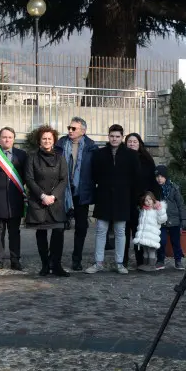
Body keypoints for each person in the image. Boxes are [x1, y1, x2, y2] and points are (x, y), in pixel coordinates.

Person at [84, 124, 139, 275]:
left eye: (117, 136)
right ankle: (98, 262)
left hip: (123, 198)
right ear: (108, 137)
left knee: (121, 231)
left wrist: (131, 196)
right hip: (104, 197)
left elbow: (135, 177)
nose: (114, 139)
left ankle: (120, 263)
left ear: (122, 137)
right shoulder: (99, 154)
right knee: (101, 230)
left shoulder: (131, 155)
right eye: (112, 136)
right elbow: (94, 175)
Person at [26, 125, 70, 277]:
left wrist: (53, 196)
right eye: (44, 138)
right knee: (42, 234)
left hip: (55, 202)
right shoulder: (32, 157)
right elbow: (29, 179)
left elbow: (64, 179)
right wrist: (42, 196)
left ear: (54, 141)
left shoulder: (60, 157)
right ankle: (45, 265)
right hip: (39, 201)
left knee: (58, 232)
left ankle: (56, 264)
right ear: (39, 141)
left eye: (49, 139)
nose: (46, 141)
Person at [0, 126, 28, 271]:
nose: (7, 139)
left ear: (14, 139)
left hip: (15, 200)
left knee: (14, 232)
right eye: (4, 137)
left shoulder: (22, 155)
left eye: (9, 137)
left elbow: (25, 176)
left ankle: (15, 260)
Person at [55, 116, 97, 271]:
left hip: (81, 192)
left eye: (74, 128)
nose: (70, 131)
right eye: (69, 128)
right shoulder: (60, 144)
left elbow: (96, 170)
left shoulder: (91, 147)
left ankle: (76, 259)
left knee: (81, 227)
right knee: (58, 226)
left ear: (83, 131)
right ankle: (56, 260)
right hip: (62, 191)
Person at [123, 133, 160, 270]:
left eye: (135, 141)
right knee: (124, 232)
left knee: (140, 232)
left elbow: (153, 181)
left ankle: (141, 261)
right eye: (129, 142)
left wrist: (155, 199)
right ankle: (123, 260)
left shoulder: (147, 160)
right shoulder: (122, 158)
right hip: (125, 201)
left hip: (142, 202)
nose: (132, 144)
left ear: (140, 144)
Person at [153, 165, 186, 271]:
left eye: (162, 176)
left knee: (175, 242)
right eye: (157, 176)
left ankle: (178, 261)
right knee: (161, 241)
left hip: (174, 219)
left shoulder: (173, 188)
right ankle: (160, 260)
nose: (159, 178)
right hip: (161, 220)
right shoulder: (155, 189)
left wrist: (184, 219)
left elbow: (180, 204)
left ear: (166, 177)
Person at [131, 191, 167, 272]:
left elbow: (162, 219)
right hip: (144, 236)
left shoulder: (156, 210)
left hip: (152, 235)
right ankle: (145, 264)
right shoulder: (143, 210)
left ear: (153, 199)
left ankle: (151, 265)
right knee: (145, 250)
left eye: (150, 199)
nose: (148, 201)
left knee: (151, 251)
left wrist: (160, 209)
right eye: (146, 200)